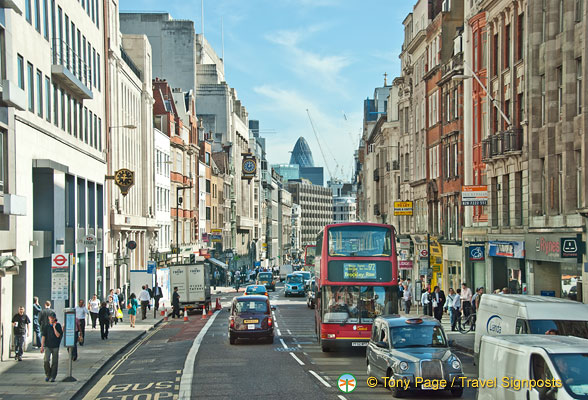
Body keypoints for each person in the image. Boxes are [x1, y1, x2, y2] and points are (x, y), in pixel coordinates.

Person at [40, 313, 62, 382]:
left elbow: (58, 335)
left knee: (55, 362)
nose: (52, 319)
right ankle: (48, 374)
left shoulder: (58, 326)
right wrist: (42, 346)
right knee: (46, 360)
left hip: (55, 346)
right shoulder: (46, 326)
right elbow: (43, 336)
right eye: (51, 318)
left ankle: (53, 376)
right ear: (49, 318)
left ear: (55, 319)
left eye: (53, 318)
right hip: (47, 346)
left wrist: (54, 328)